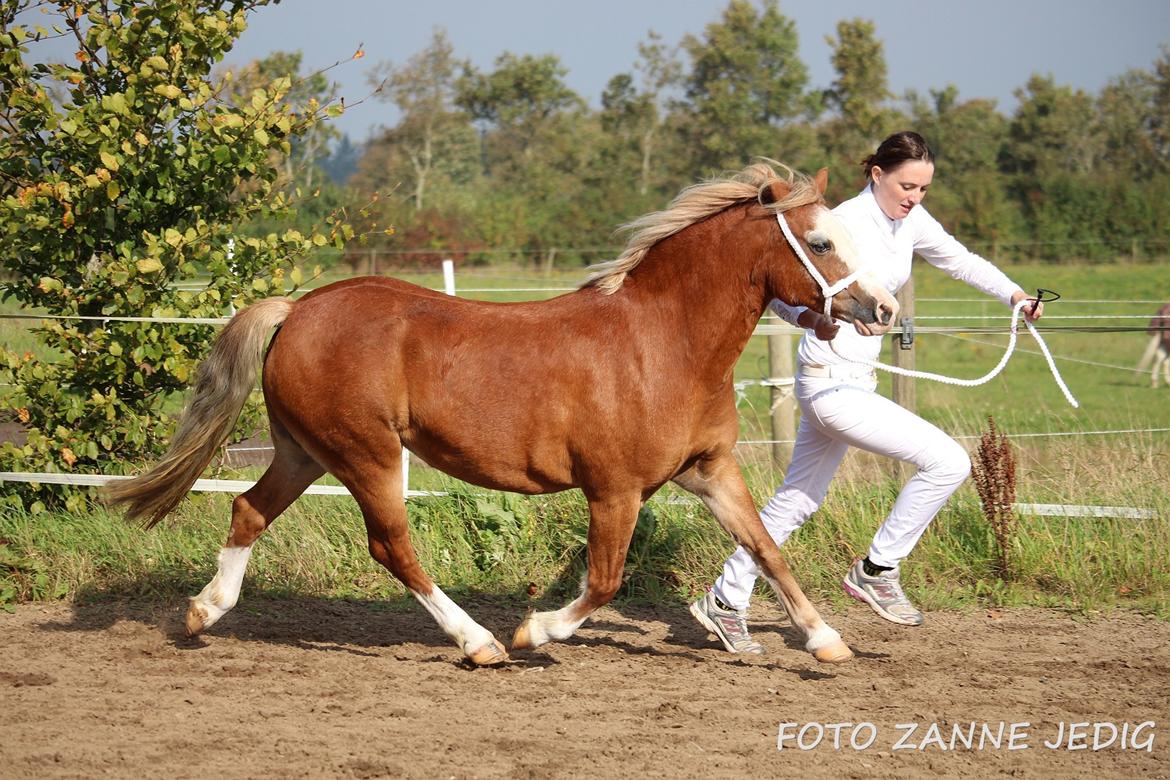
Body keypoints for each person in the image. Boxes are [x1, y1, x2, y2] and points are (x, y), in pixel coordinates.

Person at [690, 131, 1044, 654]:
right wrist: (817, 319)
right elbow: (786, 295)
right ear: (876, 174)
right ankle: (878, 568)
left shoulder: (913, 222)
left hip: (857, 382)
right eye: (906, 185)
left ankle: (725, 599)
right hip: (831, 387)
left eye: (923, 188)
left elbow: (959, 259)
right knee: (947, 462)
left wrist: (1015, 294)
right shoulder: (844, 224)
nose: (915, 197)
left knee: (797, 500)